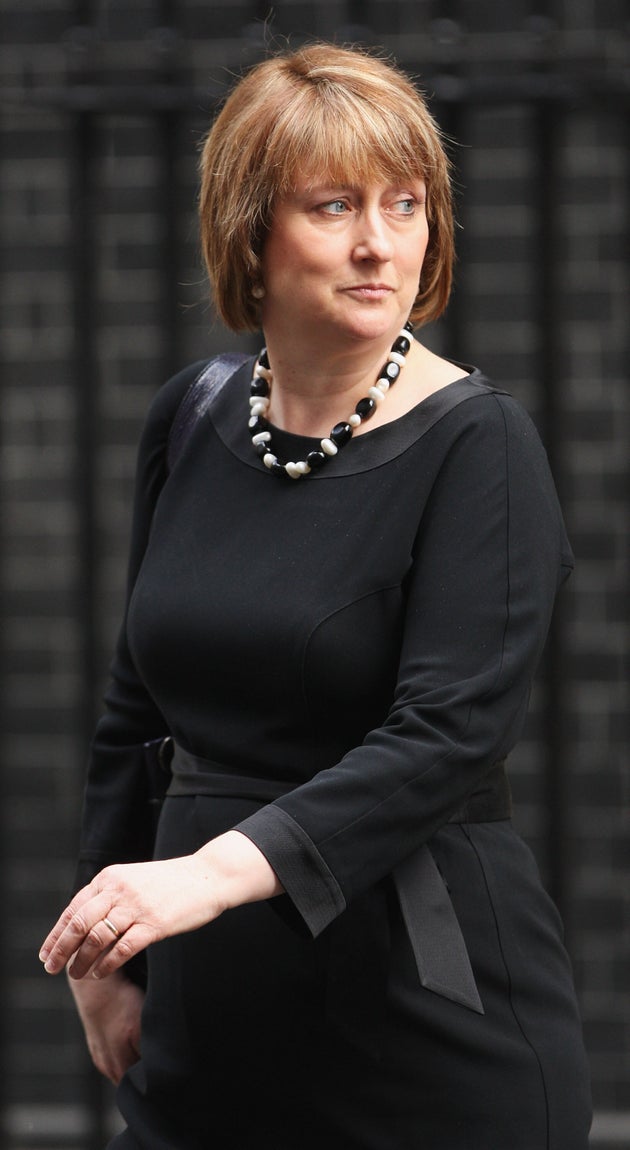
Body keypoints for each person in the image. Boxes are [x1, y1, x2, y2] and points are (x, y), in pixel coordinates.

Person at [40, 42, 592, 1149]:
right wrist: (104, 958)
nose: (378, 242)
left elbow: (445, 736)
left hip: (420, 1012)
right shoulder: (191, 416)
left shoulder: (480, 443)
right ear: (252, 230)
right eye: (335, 205)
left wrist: (205, 875)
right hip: (209, 1018)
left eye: (406, 203)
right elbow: (133, 709)